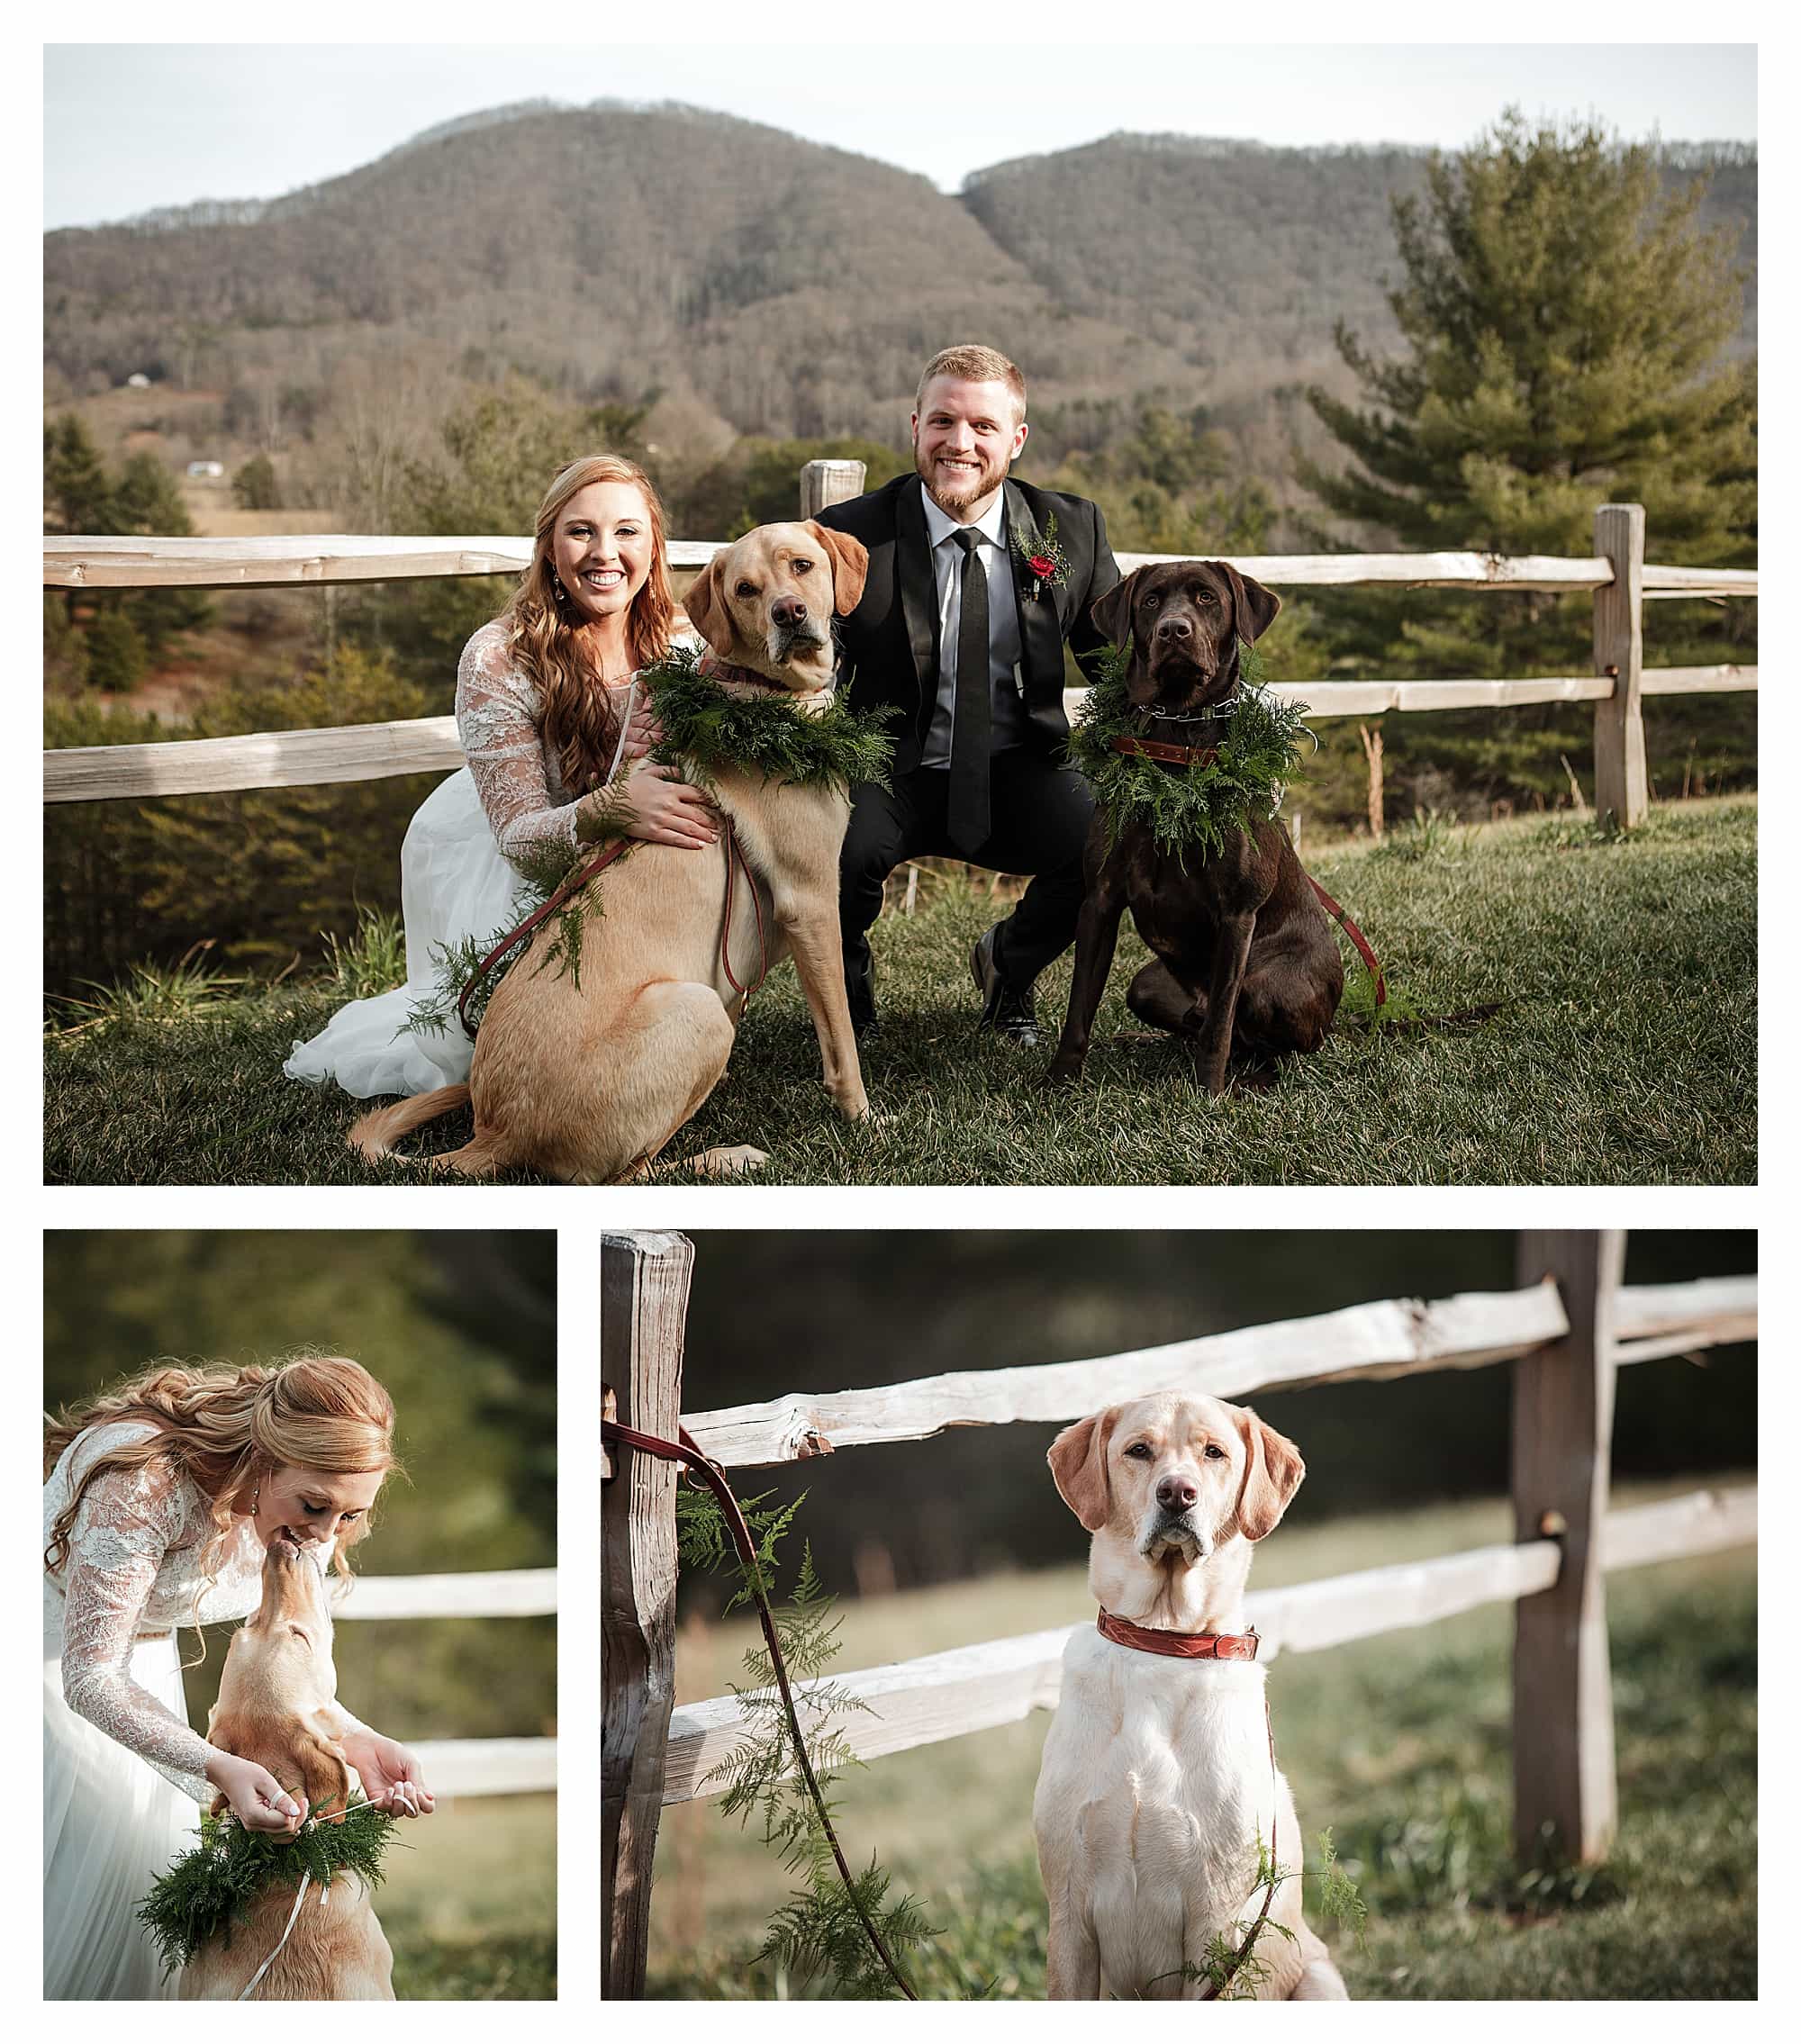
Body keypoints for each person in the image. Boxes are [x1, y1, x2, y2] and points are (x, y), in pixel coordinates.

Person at [285, 453, 713, 1099]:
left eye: (626, 531)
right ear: (547, 547)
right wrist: (613, 809)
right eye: (581, 531)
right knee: (501, 1051)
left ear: (654, 544)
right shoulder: (497, 656)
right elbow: (518, 836)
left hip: (644, 865)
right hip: (525, 866)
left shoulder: (687, 641)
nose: (605, 553)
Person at [42, 1354, 432, 1999]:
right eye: (315, 1505)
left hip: (139, 1677)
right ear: (265, 1457)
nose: (325, 1535)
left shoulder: (301, 1522)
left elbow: (286, 1669)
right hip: (44, 1665)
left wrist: (355, 1741)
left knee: (135, 1887)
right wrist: (217, 1766)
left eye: (351, 1516)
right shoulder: (144, 1484)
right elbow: (89, 1678)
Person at [815, 345, 1120, 1045]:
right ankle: (849, 1000)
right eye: (943, 421)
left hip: (1021, 762)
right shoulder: (848, 533)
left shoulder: (1070, 530)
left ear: (1016, 439)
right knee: (833, 842)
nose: (960, 443)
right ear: (915, 424)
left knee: (1105, 838)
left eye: (983, 426)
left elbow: (1115, 668)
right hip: (884, 764)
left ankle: (1008, 969)